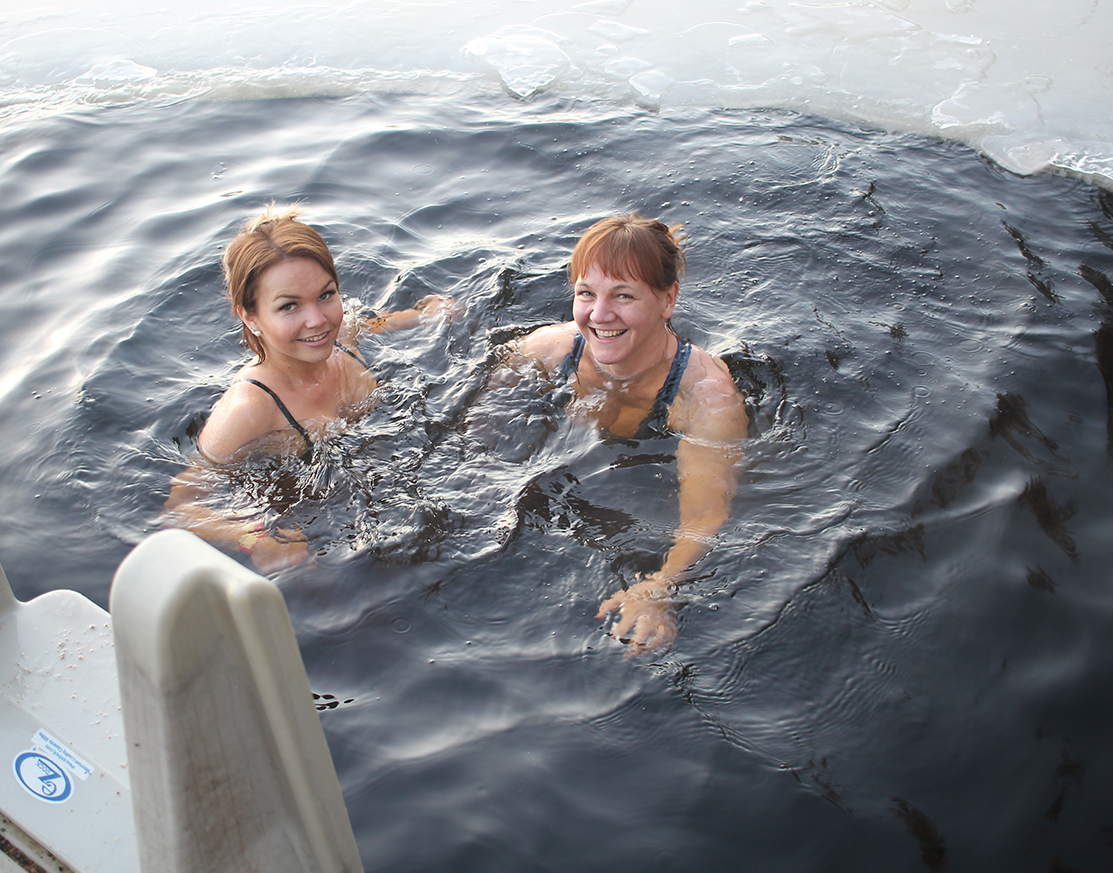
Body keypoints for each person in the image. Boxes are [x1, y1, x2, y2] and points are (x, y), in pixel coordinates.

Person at [500, 213, 746, 652]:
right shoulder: (548, 349)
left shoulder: (705, 395)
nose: (599, 314)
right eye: (586, 293)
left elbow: (705, 516)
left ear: (667, 300)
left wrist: (659, 588)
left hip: (649, 487)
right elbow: (480, 434)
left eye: (623, 295)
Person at [163, 205, 453, 571]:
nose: (318, 320)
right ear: (250, 317)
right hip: (317, 533)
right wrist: (255, 540)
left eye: (326, 295)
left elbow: (374, 323)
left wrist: (430, 313)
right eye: (289, 306)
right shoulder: (248, 409)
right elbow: (179, 509)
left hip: (391, 483)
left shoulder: (343, 334)